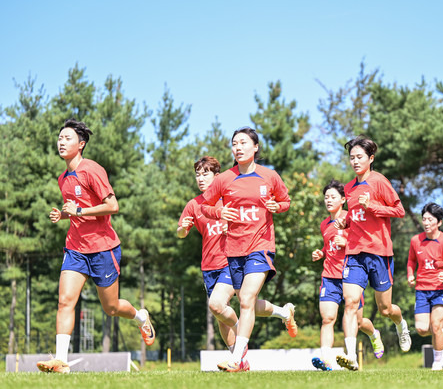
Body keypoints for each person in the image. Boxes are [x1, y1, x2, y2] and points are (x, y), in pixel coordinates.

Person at [37, 119, 155, 374]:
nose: (61, 142)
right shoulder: (63, 178)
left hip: (103, 248)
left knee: (111, 308)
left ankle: (140, 317)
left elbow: (112, 206)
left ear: (81, 144)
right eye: (59, 138)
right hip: (75, 248)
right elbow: (79, 210)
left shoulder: (92, 170)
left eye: (67, 138)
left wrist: (78, 210)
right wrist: (66, 215)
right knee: (65, 301)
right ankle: (60, 361)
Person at [177, 156, 296, 371]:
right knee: (229, 312)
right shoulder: (195, 204)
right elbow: (181, 233)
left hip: (231, 260)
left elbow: (252, 222)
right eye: (198, 174)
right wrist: (183, 229)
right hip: (209, 266)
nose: (201, 179)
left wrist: (230, 228)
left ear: (218, 176)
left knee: (220, 305)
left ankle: (240, 341)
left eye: (206, 174)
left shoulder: (232, 196)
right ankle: (280, 316)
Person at [334, 136, 410, 371]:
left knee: (385, 309)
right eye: (352, 158)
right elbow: (356, 217)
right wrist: (344, 221)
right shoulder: (348, 188)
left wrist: (373, 207)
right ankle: (351, 356)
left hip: (379, 252)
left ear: (371, 158)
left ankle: (401, 324)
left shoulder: (379, 182)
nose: (355, 161)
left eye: (360, 157)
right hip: (355, 253)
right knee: (350, 303)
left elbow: (399, 211)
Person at [310, 179, 385, 371]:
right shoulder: (324, 224)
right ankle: (326, 360)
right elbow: (330, 247)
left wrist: (348, 244)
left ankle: (374, 334)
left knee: (358, 322)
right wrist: (322, 253)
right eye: (326, 197)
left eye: (332, 197)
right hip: (329, 275)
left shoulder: (352, 218)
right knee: (327, 318)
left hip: (351, 274)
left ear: (343, 199)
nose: (328, 200)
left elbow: (365, 243)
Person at [406, 203, 443, 371]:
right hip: (421, 290)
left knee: (435, 326)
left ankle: (437, 363)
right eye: (424, 219)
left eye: (430, 220)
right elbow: (411, 260)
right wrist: (410, 274)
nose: (426, 223)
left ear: (439, 222)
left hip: (441, 289)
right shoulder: (415, 241)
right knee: (421, 329)